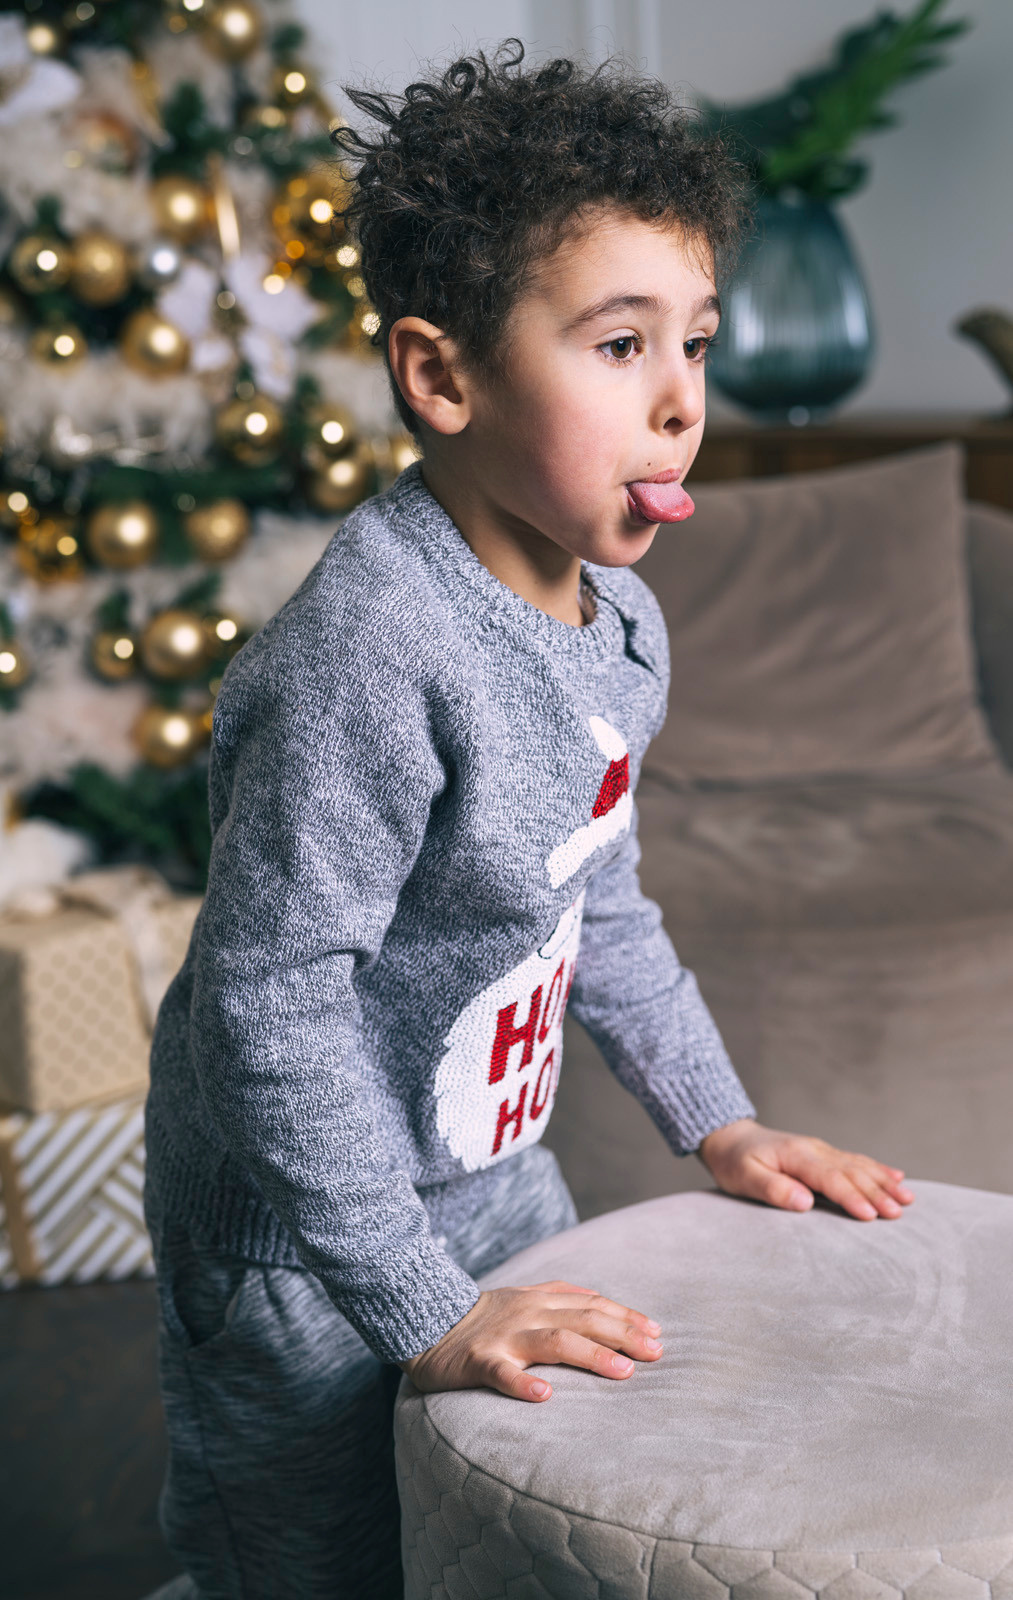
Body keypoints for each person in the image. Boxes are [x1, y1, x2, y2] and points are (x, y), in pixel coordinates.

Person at [142, 39, 915, 1600]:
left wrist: (718, 1119)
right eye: (619, 345)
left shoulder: (618, 622)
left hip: (495, 1167)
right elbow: (266, 1008)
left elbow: (591, 896)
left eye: (694, 341)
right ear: (442, 378)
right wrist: (421, 1308)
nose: (682, 399)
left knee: (495, 1534)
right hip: (297, 1232)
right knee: (318, 1562)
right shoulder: (369, 657)